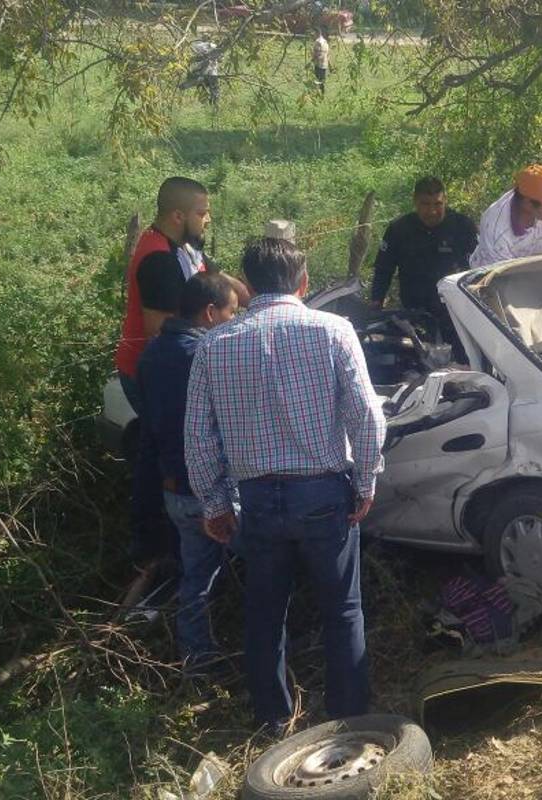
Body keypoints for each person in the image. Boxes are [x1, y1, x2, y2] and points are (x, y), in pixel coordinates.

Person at [185, 237, 386, 734]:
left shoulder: (213, 344)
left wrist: (215, 503)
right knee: (342, 610)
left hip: (256, 501)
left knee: (265, 613)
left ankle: (273, 722)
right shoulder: (334, 330)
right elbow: (365, 415)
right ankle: (349, 720)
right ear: (304, 282)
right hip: (321, 493)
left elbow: (197, 434)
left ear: (248, 286)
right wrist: (365, 481)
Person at [137, 273, 240, 675]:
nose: (236, 320)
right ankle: (266, 657)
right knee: (272, 568)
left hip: (174, 490)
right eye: (233, 312)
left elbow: (149, 427)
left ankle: (198, 663)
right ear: (211, 313)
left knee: (196, 579)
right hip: (212, 492)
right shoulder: (205, 354)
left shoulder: (152, 352)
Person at [115, 177, 215, 571]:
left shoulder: (186, 247)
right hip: (150, 369)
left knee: (158, 449)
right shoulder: (158, 258)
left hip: (169, 364)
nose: (207, 220)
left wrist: (264, 296)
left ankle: (160, 539)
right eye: (202, 213)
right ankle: (154, 543)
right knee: (161, 452)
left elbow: (216, 282)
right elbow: (159, 329)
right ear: (179, 215)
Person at [369, 176, 478, 348]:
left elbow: (478, 268)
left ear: (445, 201)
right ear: (415, 202)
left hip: (455, 311)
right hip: (415, 312)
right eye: (425, 204)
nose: (432, 211)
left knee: (462, 363)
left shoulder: (462, 226)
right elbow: (384, 269)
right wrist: (376, 301)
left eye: (437, 204)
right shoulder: (399, 229)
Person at [469, 165, 542, 267]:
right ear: (528, 203)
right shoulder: (495, 230)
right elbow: (502, 278)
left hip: (538, 266)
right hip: (492, 277)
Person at [312, 31, 330, 96]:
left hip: (319, 64)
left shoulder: (318, 42)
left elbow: (318, 54)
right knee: (321, 80)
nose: (312, 34)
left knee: (317, 80)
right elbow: (328, 54)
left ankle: (319, 94)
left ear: (317, 33)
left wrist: (312, 60)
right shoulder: (325, 42)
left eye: (313, 33)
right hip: (324, 64)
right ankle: (321, 93)